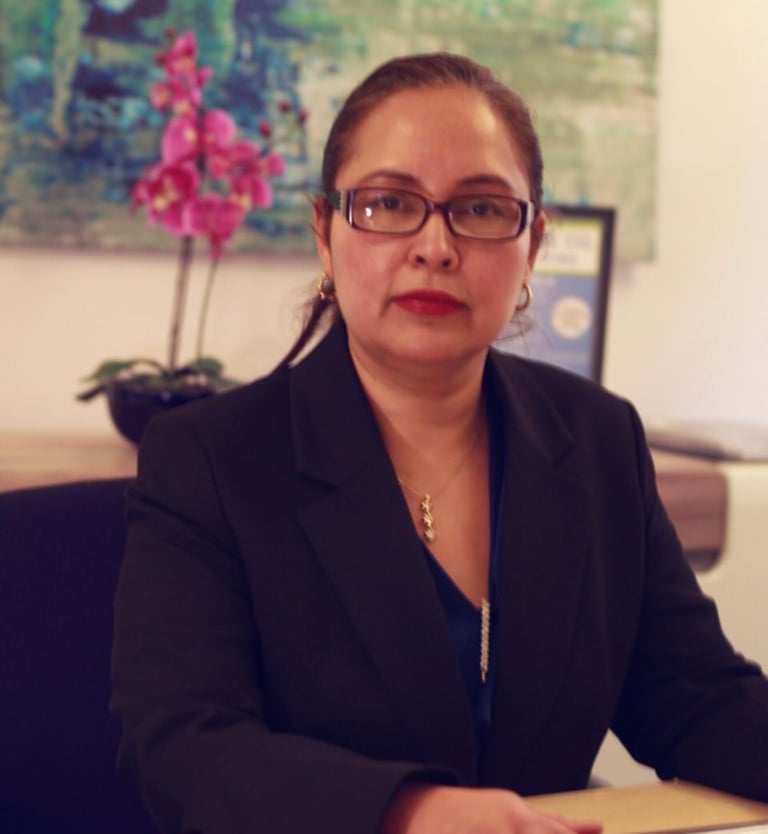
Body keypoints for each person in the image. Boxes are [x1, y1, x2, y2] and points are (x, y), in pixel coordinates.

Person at [111, 52, 768, 834]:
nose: (435, 246)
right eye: (389, 203)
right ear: (325, 233)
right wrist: (408, 812)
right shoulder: (211, 458)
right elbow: (184, 747)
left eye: (482, 209)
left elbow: (694, 696)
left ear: (533, 244)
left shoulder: (598, 440)